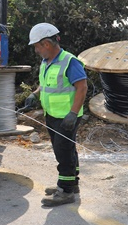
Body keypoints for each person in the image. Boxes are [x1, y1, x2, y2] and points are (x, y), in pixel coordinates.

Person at [24, 23, 88, 207]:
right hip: (52, 115)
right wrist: (34, 94)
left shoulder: (69, 61)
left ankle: (65, 191)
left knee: (63, 152)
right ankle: (71, 183)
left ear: (46, 43)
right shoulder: (47, 62)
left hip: (66, 116)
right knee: (66, 149)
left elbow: (82, 87)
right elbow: (45, 86)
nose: (36, 50)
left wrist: (73, 114)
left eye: (36, 46)